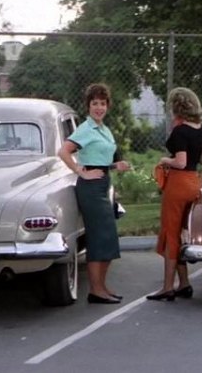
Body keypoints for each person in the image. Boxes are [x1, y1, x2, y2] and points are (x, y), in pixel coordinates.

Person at [57, 83, 131, 304]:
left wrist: (116, 166)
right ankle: (96, 290)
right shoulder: (86, 129)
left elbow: (102, 157)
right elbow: (64, 151)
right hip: (90, 188)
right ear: (88, 106)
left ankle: (101, 287)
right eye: (94, 103)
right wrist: (81, 171)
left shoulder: (104, 129)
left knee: (108, 240)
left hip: (103, 185)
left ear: (107, 105)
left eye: (102, 103)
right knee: (100, 239)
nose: (99, 107)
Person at [147, 87, 202, 301]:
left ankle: (168, 286)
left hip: (177, 185)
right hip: (192, 183)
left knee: (171, 233)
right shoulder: (200, 129)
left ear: (175, 108)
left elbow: (180, 161)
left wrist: (164, 160)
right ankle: (184, 283)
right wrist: (200, 183)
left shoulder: (179, 132)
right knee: (182, 231)